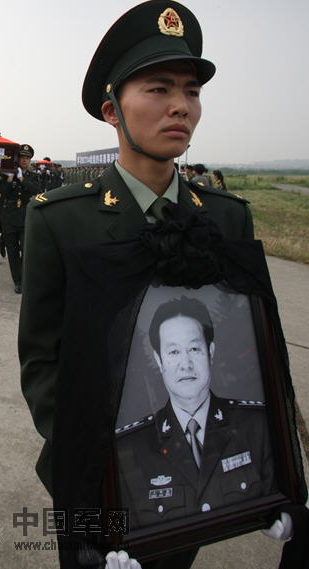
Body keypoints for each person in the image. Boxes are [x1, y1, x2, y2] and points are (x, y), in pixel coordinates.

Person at [19, 2, 294, 568]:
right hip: (96, 479)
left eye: (192, 91)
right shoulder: (60, 220)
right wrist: (99, 457)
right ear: (111, 110)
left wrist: (270, 462)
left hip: (194, 474)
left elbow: (246, 352)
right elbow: (43, 360)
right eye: (159, 88)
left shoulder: (226, 217)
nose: (181, 106)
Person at [116, 297, 276, 528]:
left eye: (194, 348)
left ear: (210, 351)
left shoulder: (256, 424)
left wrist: (286, 515)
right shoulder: (131, 445)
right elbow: (120, 522)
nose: (186, 364)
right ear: (159, 360)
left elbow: (280, 495)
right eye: (173, 352)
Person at [0, 144, 40, 293]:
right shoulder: (7, 174)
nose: (24, 160)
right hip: (9, 216)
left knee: (26, 249)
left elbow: (36, 190)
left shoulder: (33, 176)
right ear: (17, 158)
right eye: (22, 157)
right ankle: (17, 280)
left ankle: (24, 275)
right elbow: (3, 193)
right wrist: (11, 177)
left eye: (27, 158)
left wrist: (22, 179)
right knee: (12, 251)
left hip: (25, 215)